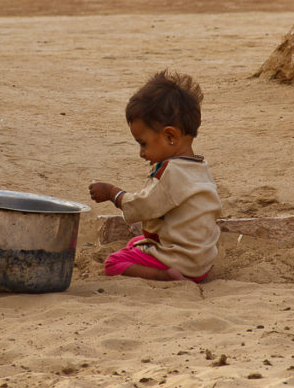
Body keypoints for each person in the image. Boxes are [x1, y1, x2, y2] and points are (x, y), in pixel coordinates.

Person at [89, 70, 221, 282]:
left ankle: (165, 275)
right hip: (201, 260)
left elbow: (143, 205)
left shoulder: (170, 173)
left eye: (143, 144)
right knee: (136, 242)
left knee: (113, 263)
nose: (141, 153)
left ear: (170, 136)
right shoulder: (199, 167)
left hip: (181, 261)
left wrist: (114, 194)